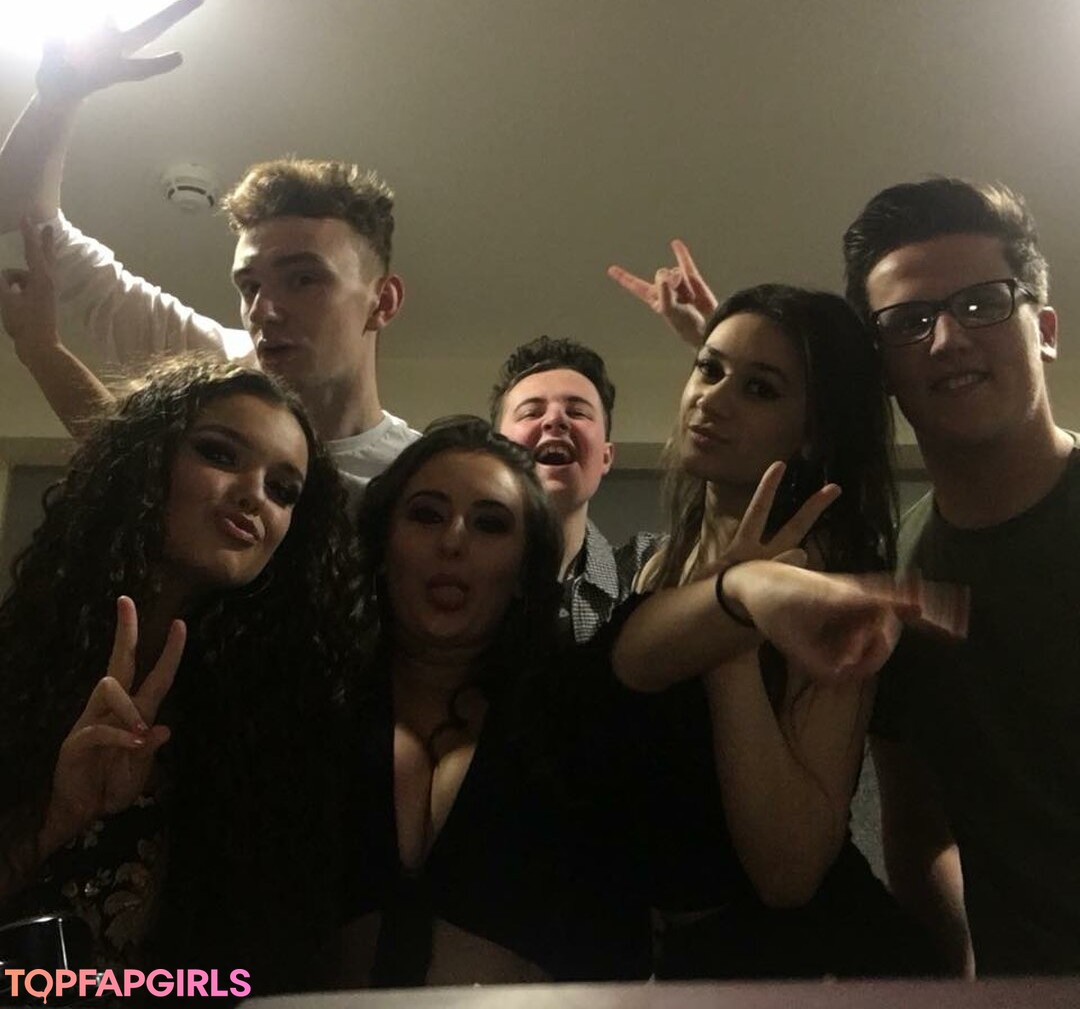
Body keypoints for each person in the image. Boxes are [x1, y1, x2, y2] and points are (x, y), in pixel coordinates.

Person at [333, 413, 940, 986]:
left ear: (523, 572)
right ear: (383, 545)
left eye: (491, 524)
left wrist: (745, 593)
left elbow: (643, 642)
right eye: (426, 515)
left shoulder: (567, 703)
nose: (453, 541)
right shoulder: (316, 704)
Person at [608, 269, 948, 977]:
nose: (710, 399)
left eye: (759, 389)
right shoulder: (663, 561)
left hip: (818, 968)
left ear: (814, 433)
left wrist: (727, 632)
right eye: (708, 369)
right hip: (693, 963)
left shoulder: (820, 581)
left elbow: (789, 873)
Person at [0, 348, 361, 994]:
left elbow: (252, 973)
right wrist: (56, 817)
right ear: (145, 463)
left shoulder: (275, 722)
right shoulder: (15, 660)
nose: (254, 494)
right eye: (221, 453)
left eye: (284, 490)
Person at [0, 0, 417, 490]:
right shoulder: (217, 364)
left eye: (304, 279)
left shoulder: (424, 478)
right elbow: (21, 225)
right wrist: (56, 100)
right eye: (250, 285)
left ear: (382, 301)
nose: (263, 311)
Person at [843, 178, 1080, 976]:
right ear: (882, 368)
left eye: (982, 303)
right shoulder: (893, 573)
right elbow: (916, 833)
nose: (946, 339)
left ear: (1045, 329)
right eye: (909, 321)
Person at [490, 336, 659, 642]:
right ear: (494, 453)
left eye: (578, 412)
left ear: (606, 456)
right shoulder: (457, 568)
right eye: (531, 412)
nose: (556, 420)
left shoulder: (650, 569)